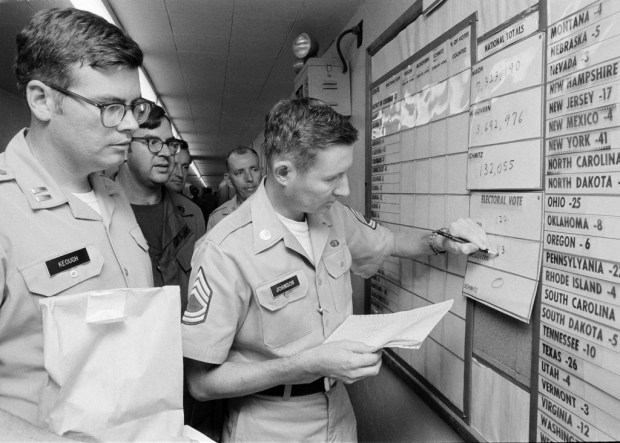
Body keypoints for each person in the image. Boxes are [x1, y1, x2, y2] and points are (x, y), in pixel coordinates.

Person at [182, 97, 492, 442]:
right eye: (332, 177)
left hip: (338, 414)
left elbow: (389, 243)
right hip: (270, 424)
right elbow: (201, 383)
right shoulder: (224, 250)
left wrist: (442, 239)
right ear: (284, 172)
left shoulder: (333, 216)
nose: (344, 189)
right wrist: (306, 364)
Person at [0, 8, 153, 440]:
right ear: (42, 100)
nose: (130, 125)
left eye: (133, 107)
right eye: (109, 107)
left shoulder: (113, 194)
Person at [116, 105, 205, 314]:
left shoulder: (191, 215)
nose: (166, 153)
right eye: (152, 142)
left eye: (169, 144)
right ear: (124, 148)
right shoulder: (98, 213)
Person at [206, 146, 261, 231]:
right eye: (239, 173)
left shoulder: (282, 209)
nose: (249, 178)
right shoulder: (217, 218)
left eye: (254, 170)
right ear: (229, 180)